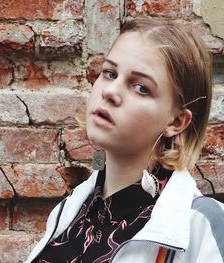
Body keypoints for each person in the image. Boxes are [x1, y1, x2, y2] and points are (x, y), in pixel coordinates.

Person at [26, 18, 224, 263]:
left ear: (176, 122)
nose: (110, 91)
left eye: (141, 87)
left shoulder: (202, 227)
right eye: (109, 73)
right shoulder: (70, 210)